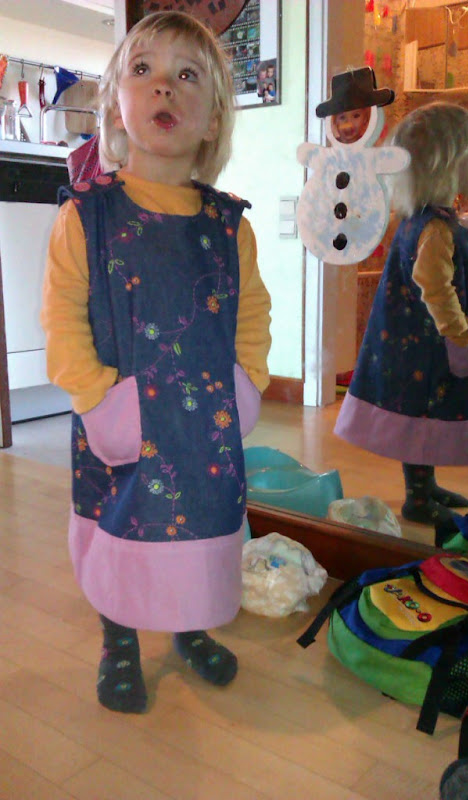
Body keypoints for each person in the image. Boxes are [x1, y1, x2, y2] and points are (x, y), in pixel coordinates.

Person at [41, 10, 271, 713]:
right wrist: (97, 401)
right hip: (120, 421)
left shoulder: (229, 226)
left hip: (204, 424)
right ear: (117, 105)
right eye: (143, 71)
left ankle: (189, 624)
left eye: (187, 75)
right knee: (123, 525)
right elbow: (62, 319)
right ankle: (118, 638)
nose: (163, 87)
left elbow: (253, 314)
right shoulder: (86, 216)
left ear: (213, 119)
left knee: (198, 526)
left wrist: (248, 386)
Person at [334, 102, 468, 525]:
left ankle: (425, 485)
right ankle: (418, 498)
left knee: (423, 418)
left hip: (417, 345)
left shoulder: (421, 220)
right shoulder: (435, 228)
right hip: (430, 347)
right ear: (446, 165)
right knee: (422, 416)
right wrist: (461, 331)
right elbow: (433, 285)